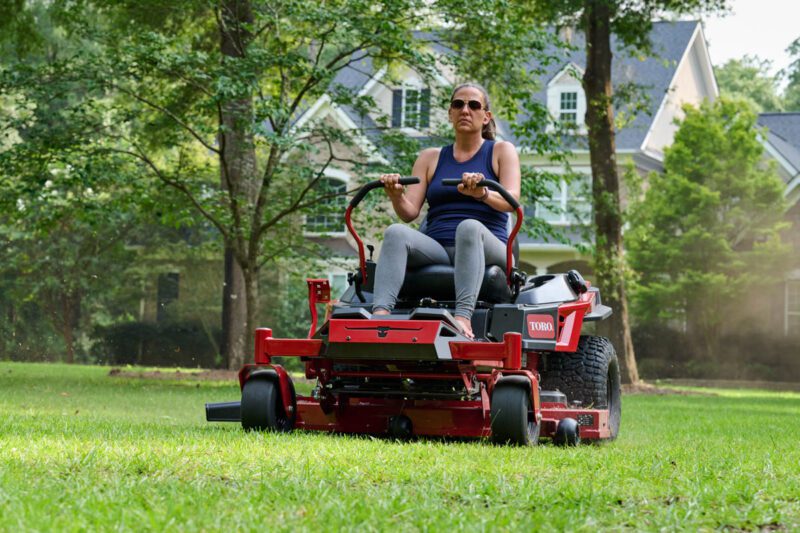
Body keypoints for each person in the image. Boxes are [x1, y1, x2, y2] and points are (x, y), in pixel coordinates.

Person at [372, 83, 521, 339]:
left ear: (486, 116)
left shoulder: (500, 150)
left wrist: (482, 193)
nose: (465, 110)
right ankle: (379, 320)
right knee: (396, 232)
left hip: (489, 246)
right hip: (439, 249)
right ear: (450, 113)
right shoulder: (430, 157)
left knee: (469, 226)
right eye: (458, 104)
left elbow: (512, 200)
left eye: (474, 105)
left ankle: (463, 319)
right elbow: (409, 213)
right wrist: (396, 195)